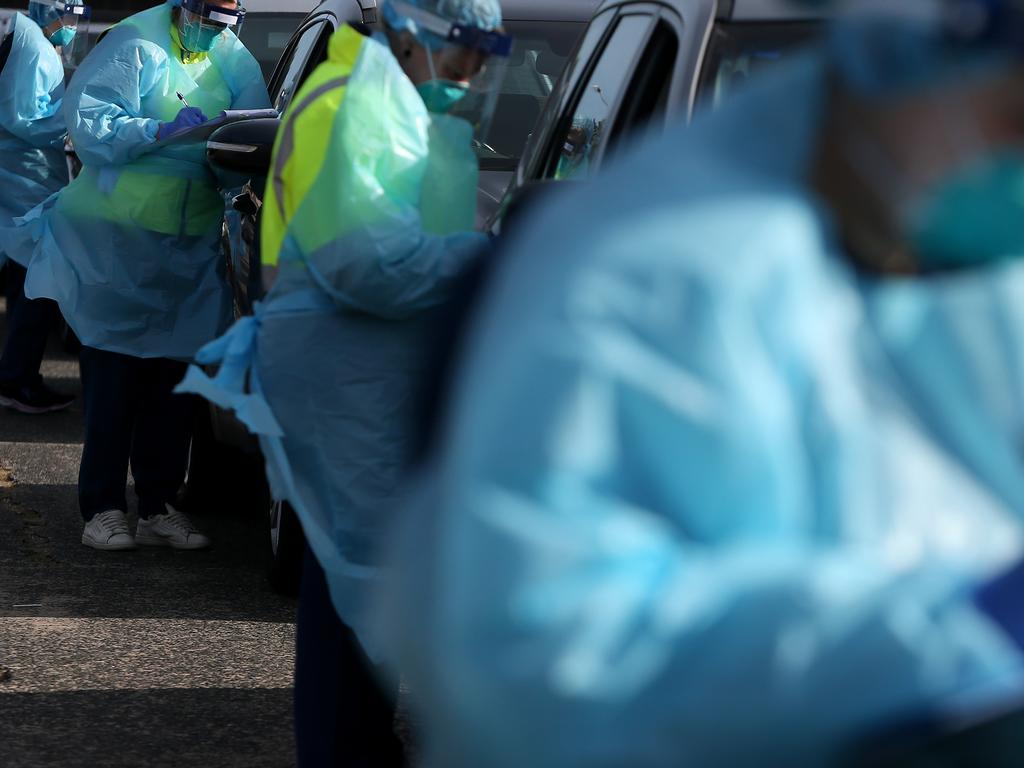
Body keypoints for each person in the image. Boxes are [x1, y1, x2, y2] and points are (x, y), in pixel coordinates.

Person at [380, 1, 1024, 766]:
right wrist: (954, 633)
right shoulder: (643, 275)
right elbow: (529, 663)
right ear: (905, 52)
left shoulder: (959, 241)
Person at [177, 0, 510, 762]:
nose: (470, 77)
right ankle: (344, 749)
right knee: (355, 571)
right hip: (348, 365)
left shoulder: (383, 93)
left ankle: (353, 743)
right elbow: (365, 264)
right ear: (414, 31)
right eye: (461, 56)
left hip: (360, 363)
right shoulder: (358, 102)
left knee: (357, 570)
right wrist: (483, 260)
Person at [21, 0, 270, 551]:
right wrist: (159, 130)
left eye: (226, 22)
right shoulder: (136, 43)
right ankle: (103, 508)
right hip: (118, 242)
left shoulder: (233, 60)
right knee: (114, 376)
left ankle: (158, 504)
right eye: (209, 18)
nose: (213, 31)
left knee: (171, 382)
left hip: (189, 246)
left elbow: (252, 134)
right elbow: (89, 123)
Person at [0, 0, 86, 414]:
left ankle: (19, 376)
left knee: (27, 278)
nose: (71, 26)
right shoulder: (33, 45)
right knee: (40, 278)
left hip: (28, 177)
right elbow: (24, 118)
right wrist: (76, 125)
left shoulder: (37, 40)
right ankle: (16, 378)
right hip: (23, 177)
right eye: (68, 16)